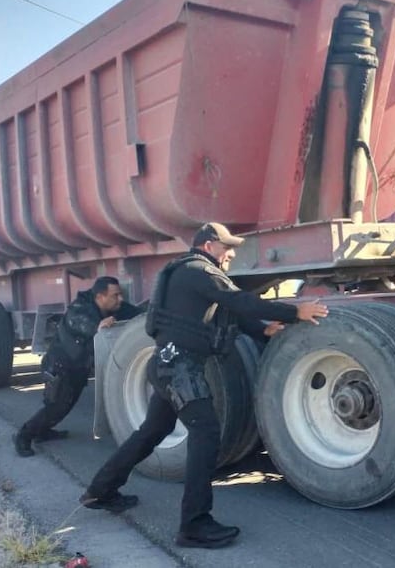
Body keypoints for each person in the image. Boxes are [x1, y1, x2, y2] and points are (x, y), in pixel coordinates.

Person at [79, 222, 329, 550]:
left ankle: (101, 490)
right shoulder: (200, 271)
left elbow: (224, 311)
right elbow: (239, 301)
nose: (231, 255)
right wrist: (295, 311)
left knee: (152, 432)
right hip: (181, 368)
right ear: (210, 245)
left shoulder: (186, 273)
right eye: (228, 248)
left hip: (167, 365)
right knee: (206, 433)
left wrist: (261, 331)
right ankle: (194, 524)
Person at [14, 276, 142, 457]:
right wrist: (99, 326)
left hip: (77, 368)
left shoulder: (111, 307)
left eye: (120, 295)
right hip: (59, 368)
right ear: (100, 296)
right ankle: (23, 437)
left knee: (64, 407)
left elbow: (137, 313)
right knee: (55, 407)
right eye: (115, 295)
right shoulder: (79, 308)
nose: (120, 299)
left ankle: (43, 432)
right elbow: (82, 323)